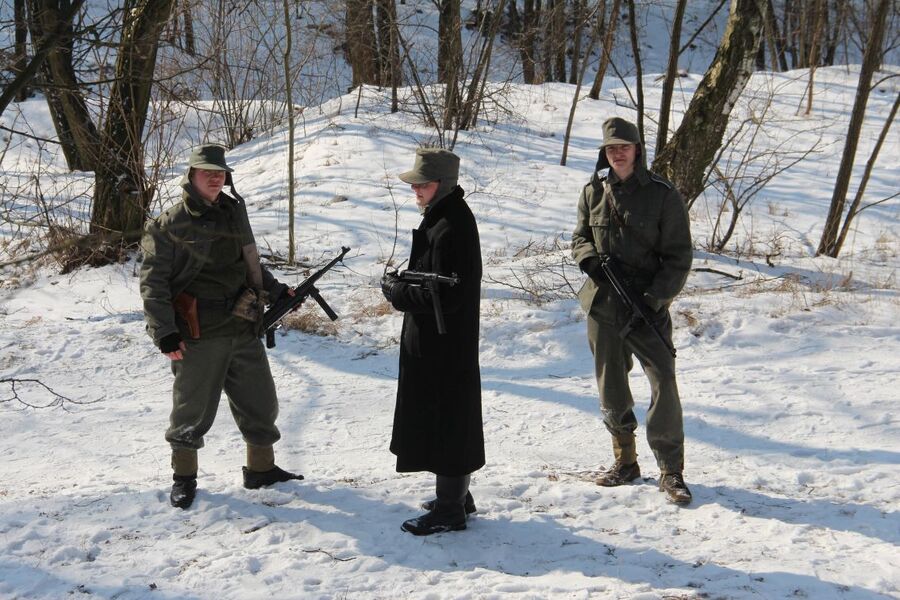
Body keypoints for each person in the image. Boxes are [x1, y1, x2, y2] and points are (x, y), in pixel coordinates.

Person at [140, 144, 303, 510]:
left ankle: (260, 469)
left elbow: (249, 264)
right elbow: (153, 284)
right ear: (192, 175)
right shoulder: (170, 224)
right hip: (198, 333)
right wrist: (164, 331)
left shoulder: (233, 212)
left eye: (220, 172)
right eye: (207, 172)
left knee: (261, 402)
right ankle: (184, 478)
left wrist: (276, 290)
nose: (215, 178)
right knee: (191, 411)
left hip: (243, 326)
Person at [571, 117, 694, 504]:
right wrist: (587, 258)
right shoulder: (593, 191)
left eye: (624, 146)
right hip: (603, 305)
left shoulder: (662, 194)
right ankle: (625, 461)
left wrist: (655, 300)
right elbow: (580, 237)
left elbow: (679, 257)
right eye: (611, 148)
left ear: (637, 149)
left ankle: (671, 471)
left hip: (646, 307)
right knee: (611, 384)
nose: (617, 152)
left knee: (664, 382)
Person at [380, 147, 485, 535]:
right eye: (415, 184)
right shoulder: (442, 217)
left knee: (449, 421)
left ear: (441, 184)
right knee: (444, 419)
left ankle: (450, 510)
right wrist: (406, 281)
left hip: (445, 344)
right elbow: (434, 279)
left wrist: (396, 293)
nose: (415, 190)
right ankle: (457, 496)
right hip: (437, 342)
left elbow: (448, 295)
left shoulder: (451, 224)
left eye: (421, 184)